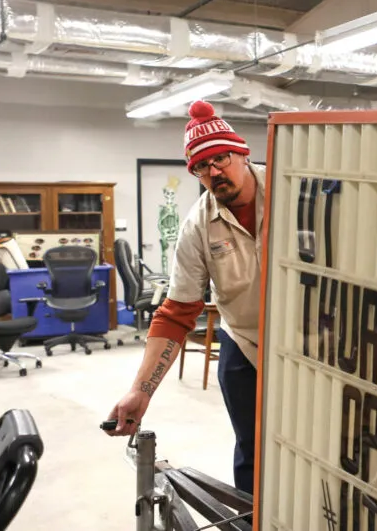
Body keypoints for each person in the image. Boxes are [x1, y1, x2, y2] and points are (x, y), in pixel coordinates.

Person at [105, 99, 266, 494]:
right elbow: (177, 313)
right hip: (245, 340)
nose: (214, 172)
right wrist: (140, 393)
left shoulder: (294, 189)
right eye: (201, 168)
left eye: (221, 159)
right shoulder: (198, 226)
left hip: (312, 343)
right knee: (253, 447)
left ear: (242, 154)